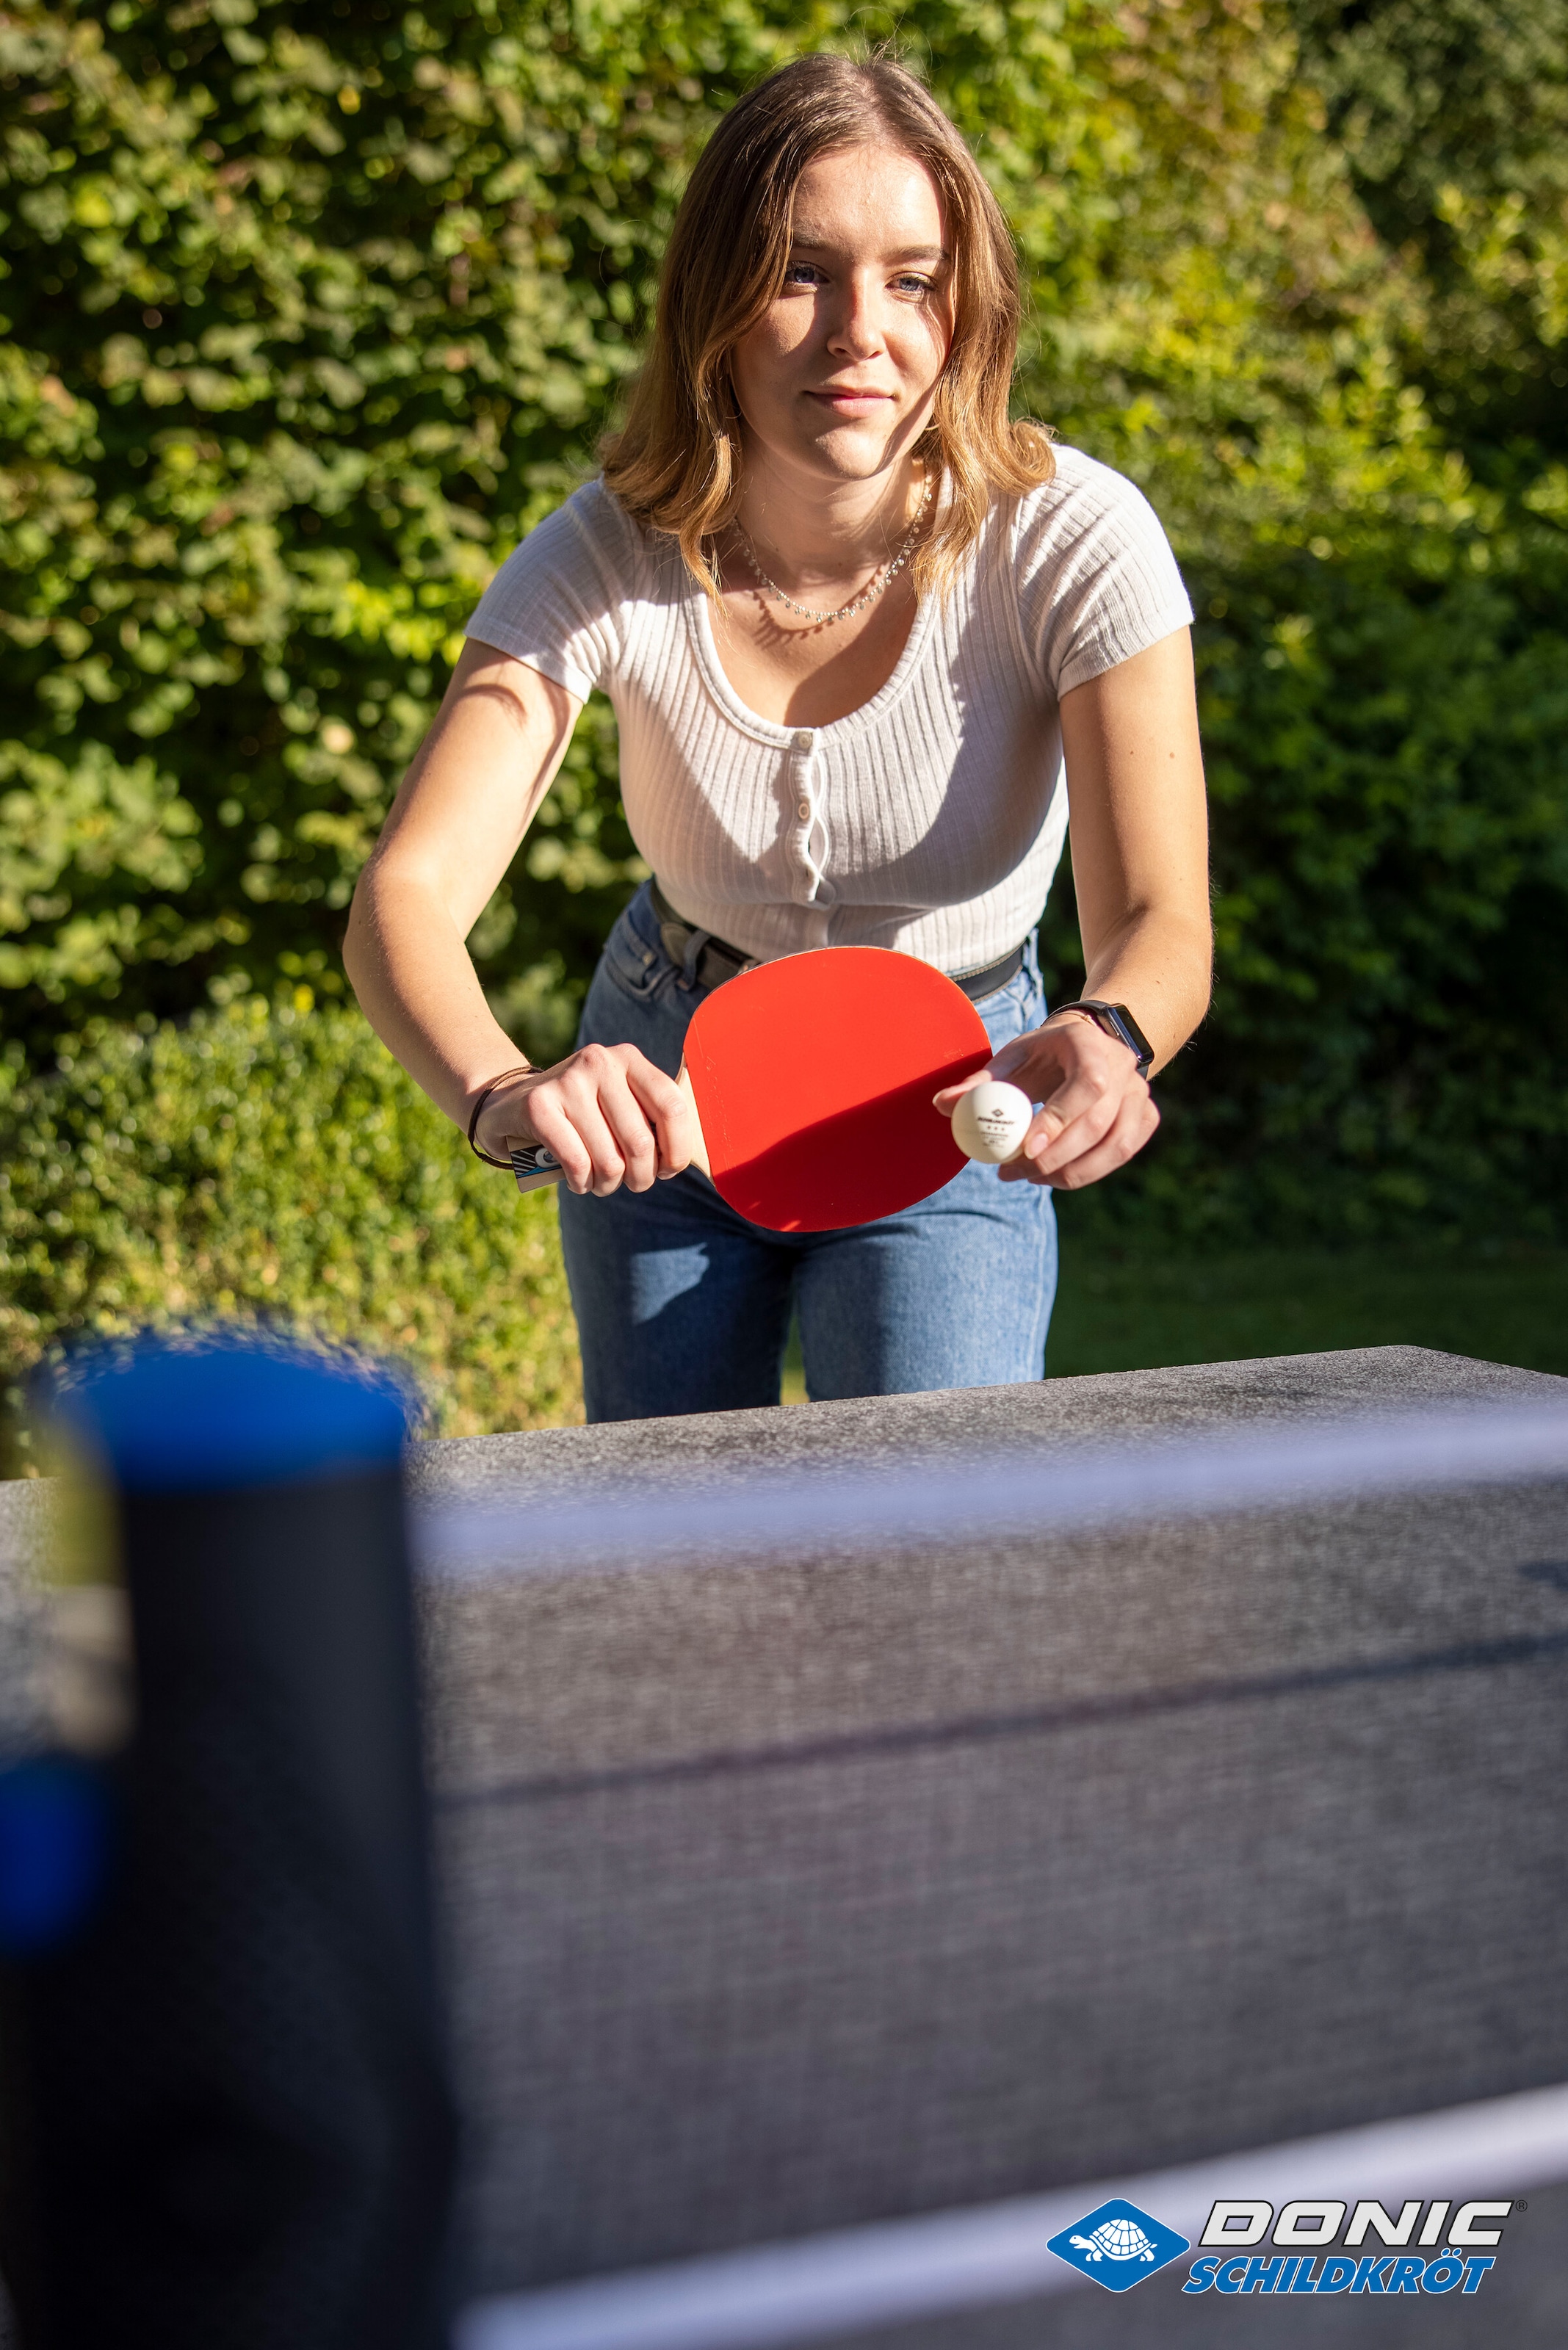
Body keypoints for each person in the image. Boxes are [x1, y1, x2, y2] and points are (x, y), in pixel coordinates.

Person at [344, 52, 1211, 1422]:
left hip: (959, 1087)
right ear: (716, 299)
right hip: (666, 1087)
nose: (864, 330)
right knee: (673, 1530)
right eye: (803, 272)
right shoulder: (603, 554)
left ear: (970, 308)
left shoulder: (1075, 540)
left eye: (915, 279)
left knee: (940, 1522)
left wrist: (1112, 1031)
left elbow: (1162, 921)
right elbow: (405, 893)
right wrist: (505, 1092)